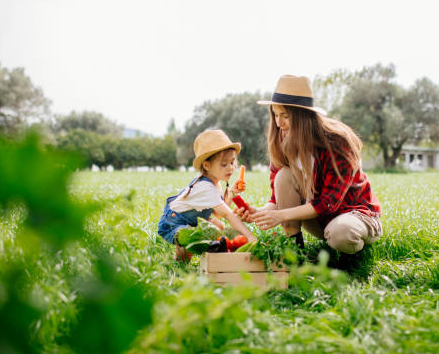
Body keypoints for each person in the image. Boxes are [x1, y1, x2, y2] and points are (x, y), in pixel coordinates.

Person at [236, 75, 382, 260]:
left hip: (356, 216)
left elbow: (328, 202)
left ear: (303, 116)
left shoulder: (336, 142)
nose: (279, 123)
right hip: (321, 221)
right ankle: (295, 257)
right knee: (284, 175)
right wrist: (260, 212)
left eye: (285, 116)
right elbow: (277, 199)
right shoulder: (282, 140)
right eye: (276, 114)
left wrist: (280, 216)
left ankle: (351, 263)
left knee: (341, 234)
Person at [158, 129, 256, 261]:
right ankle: (180, 258)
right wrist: (249, 236)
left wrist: (231, 193)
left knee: (218, 226)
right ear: (207, 165)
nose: (230, 168)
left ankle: (184, 254)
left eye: (232, 163)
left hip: (189, 222)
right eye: (224, 164)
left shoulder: (214, 183)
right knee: (192, 236)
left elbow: (219, 214)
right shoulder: (206, 187)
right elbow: (227, 214)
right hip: (173, 224)